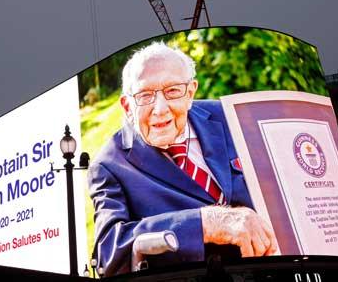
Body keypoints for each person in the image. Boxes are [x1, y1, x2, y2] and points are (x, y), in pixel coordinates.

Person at [88, 42, 278, 275]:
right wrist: (205, 223)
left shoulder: (229, 115)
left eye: (173, 91)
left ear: (190, 93)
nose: (160, 109)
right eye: (145, 95)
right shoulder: (109, 166)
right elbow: (109, 254)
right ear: (127, 106)